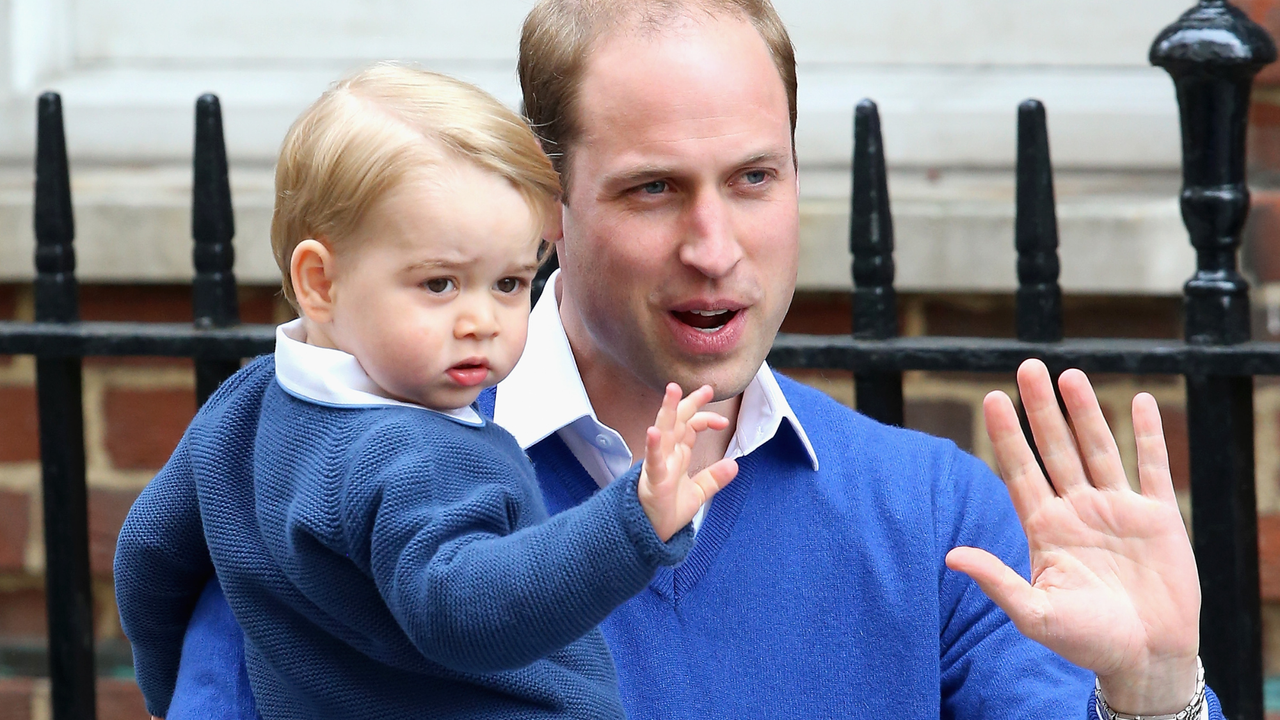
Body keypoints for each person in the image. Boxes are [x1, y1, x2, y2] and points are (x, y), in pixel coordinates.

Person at [157, 1, 1215, 718]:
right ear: (550, 210)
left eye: (753, 178)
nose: (713, 247)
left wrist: (1157, 691)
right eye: (652, 188)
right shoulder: (308, 489)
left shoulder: (931, 515)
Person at [112, 64, 742, 720]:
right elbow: (467, 612)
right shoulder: (416, 456)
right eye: (440, 283)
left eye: (509, 283)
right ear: (321, 282)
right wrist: (632, 521)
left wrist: (165, 690)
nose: (481, 321)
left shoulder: (244, 404)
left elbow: (150, 552)